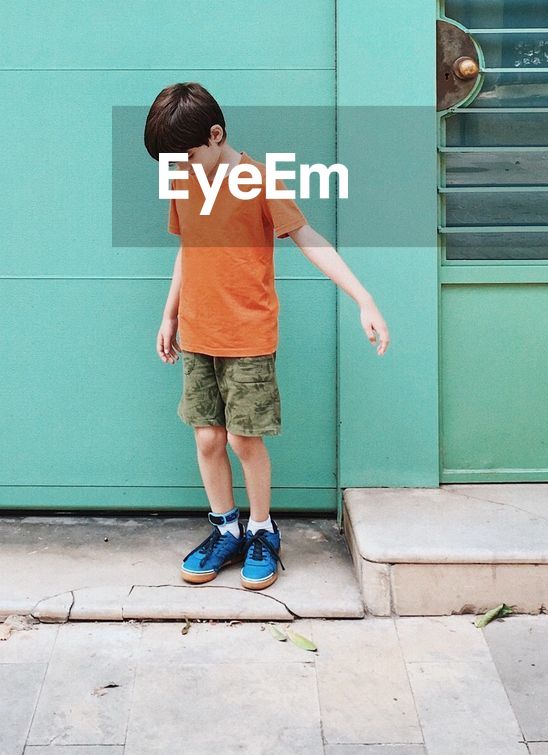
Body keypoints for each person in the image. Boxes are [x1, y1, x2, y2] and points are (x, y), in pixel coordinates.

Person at [144, 82, 390, 591]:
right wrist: (169, 315)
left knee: (242, 438)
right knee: (208, 437)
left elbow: (308, 238)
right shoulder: (186, 180)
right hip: (197, 331)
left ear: (216, 135)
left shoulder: (258, 181)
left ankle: (261, 529)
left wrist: (362, 298)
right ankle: (225, 528)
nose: (181, 169)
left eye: (188, 157)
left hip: (248, 335)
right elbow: (187, 250)